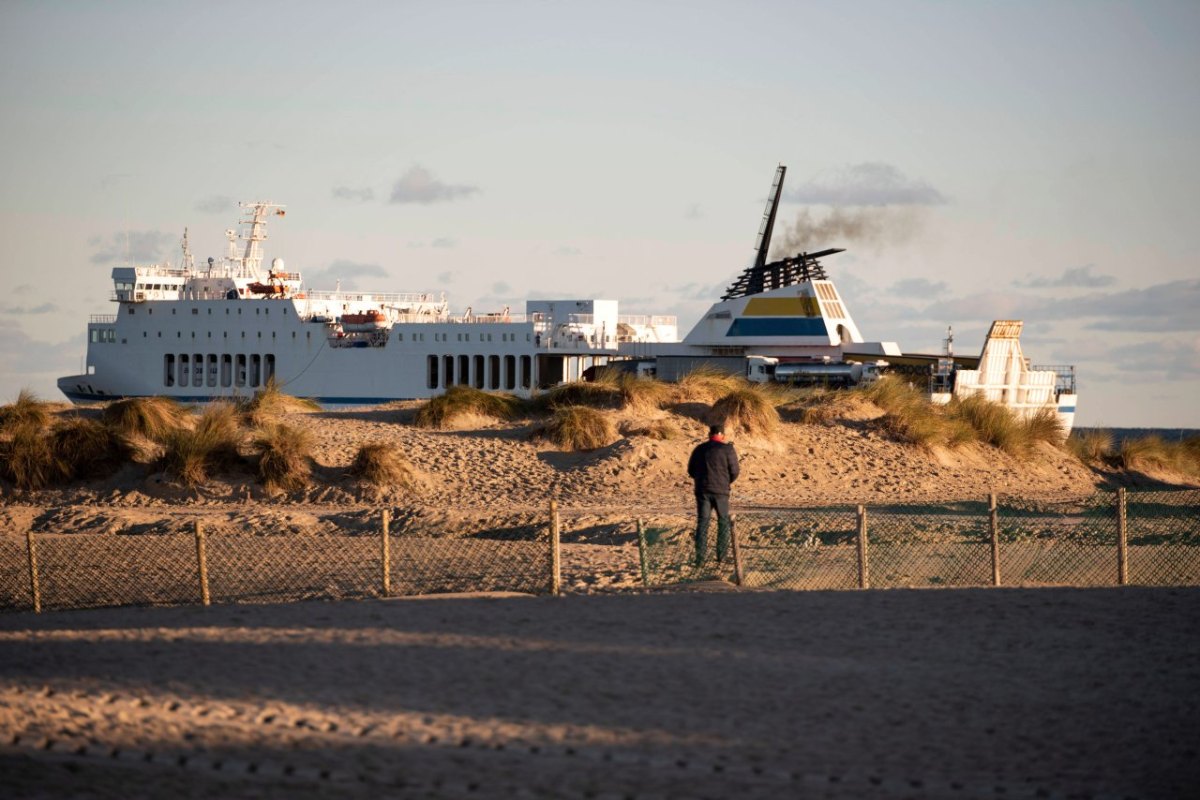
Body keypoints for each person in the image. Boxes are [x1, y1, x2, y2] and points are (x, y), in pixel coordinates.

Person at [687, 422, 740, 569]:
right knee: (723, 522)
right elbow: (735, 471)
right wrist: (726, 481)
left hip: (703, 490)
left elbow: (691, 470)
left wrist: (701, 479)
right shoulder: (728, 449)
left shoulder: (699, 449)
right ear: (722, 435)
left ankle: (700, 559)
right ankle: (721, 557)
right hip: (721, 492)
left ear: (709, 434)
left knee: (703, 523)